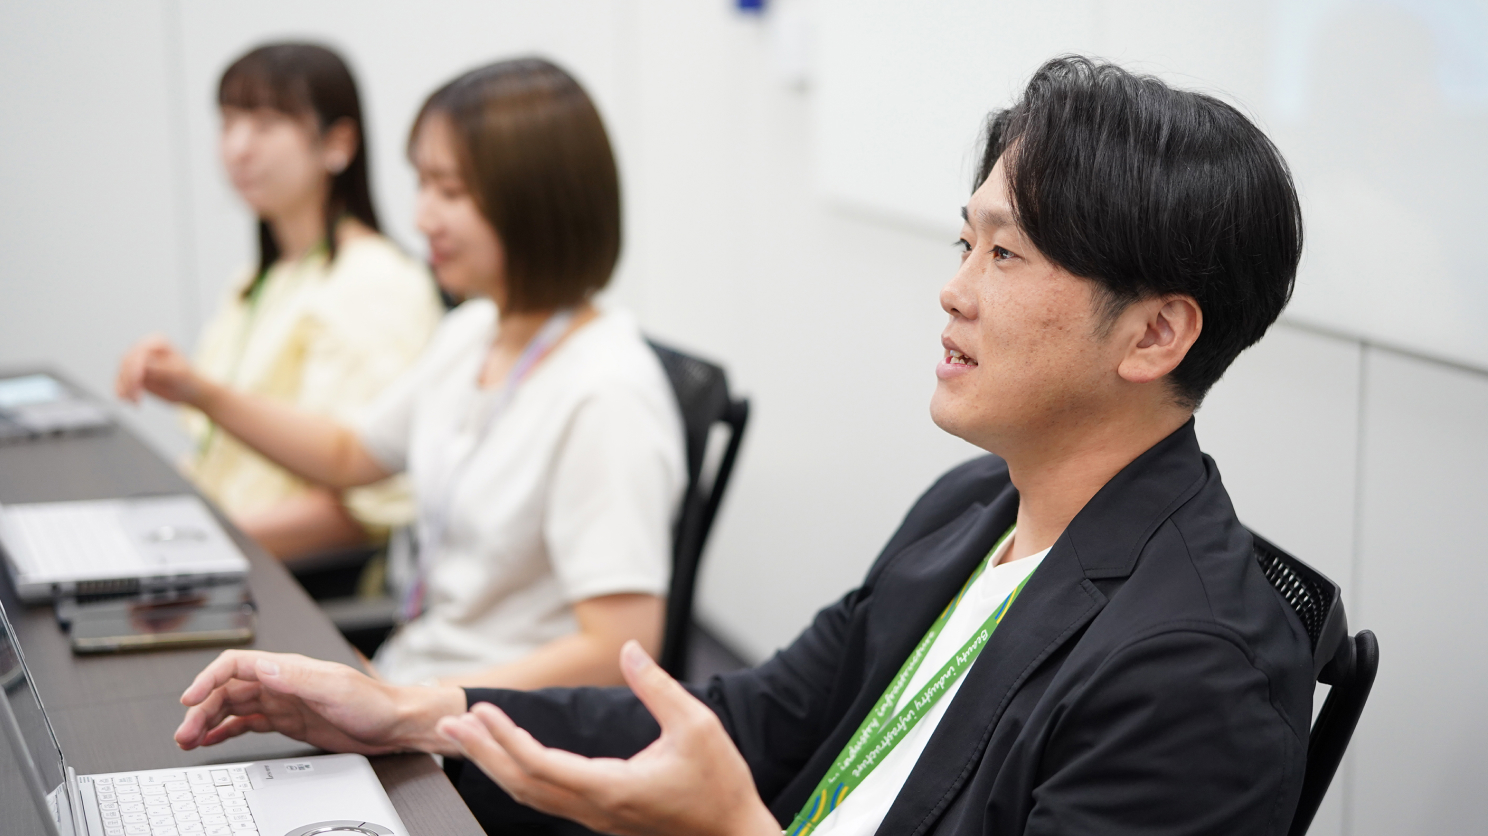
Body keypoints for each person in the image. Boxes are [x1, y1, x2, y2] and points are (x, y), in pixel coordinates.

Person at [169, 56, 1313, 835]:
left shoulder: (1195, 673)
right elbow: (751, 716)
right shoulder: (973, 509)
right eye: (963, 243)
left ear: (1155, 334)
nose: (954, 290)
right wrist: (414, 709)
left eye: (1005, 256)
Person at [122, 58, 687, 688]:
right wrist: (201, 393)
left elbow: (617, 649)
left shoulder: (606, 391)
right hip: (416, 679)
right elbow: (348, 454)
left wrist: (406, 708)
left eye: (450, 192)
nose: (422, 218)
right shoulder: (475, 331)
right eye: (422, 185)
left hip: (488, 723)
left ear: (539, 201)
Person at [117, 43, 444, 562]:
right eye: (228, 123)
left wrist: (181, 547)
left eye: (266, 124)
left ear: (337, 143)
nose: (237, 148)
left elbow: (360, 508)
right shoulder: (259, 280)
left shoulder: (374, 281)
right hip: (234, 555)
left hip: (289, 578)